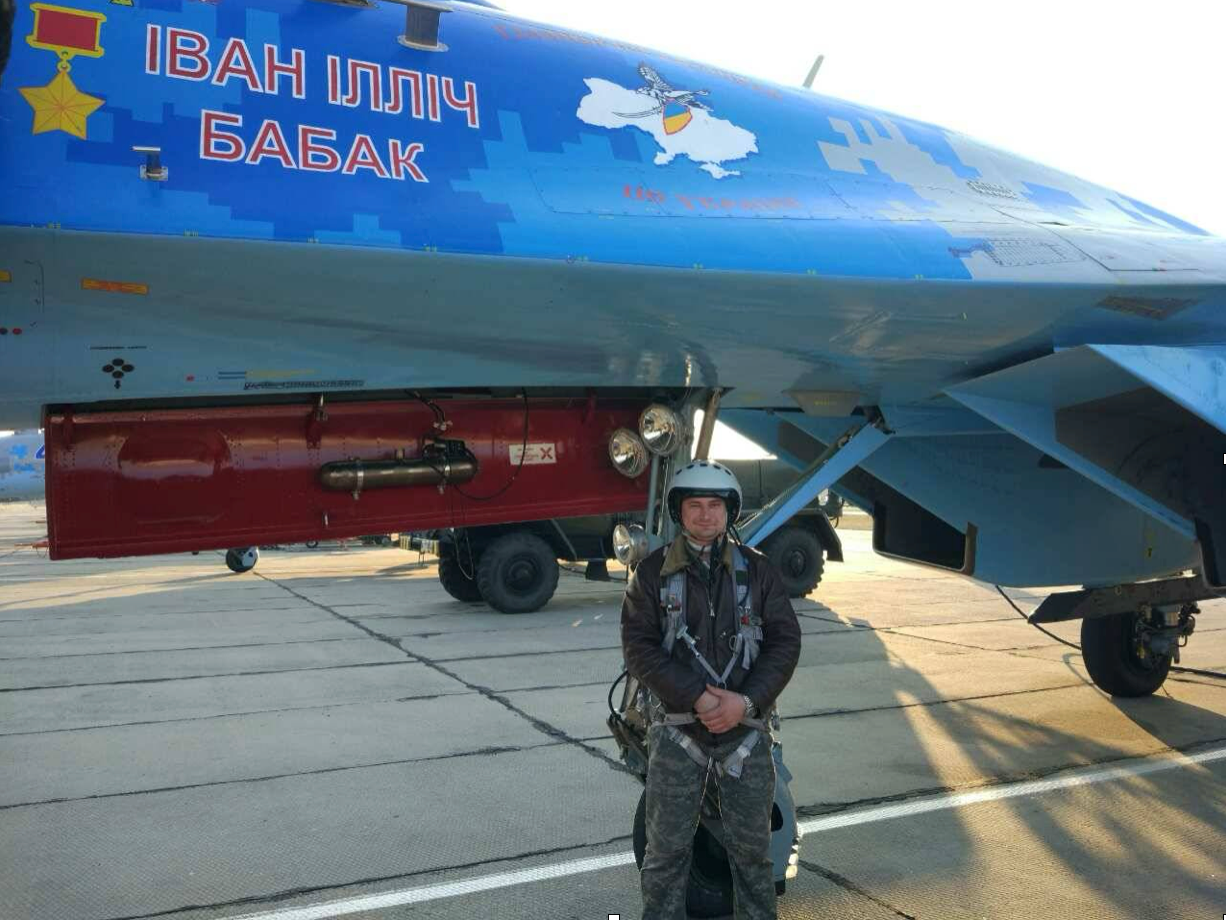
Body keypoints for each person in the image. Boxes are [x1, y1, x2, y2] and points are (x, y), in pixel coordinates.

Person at [621, 460, 802, 920]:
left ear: (729, 512)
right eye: (695, 505)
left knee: (753, 856)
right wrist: (698, 697)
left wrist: (746, 701)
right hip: (678, 730)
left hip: (745, 732)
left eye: (715, 505)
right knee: (665, 854)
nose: (705, 515)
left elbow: (784, 642)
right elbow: (639, 648)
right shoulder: (652, 574)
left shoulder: (758, 571)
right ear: (679, 512)